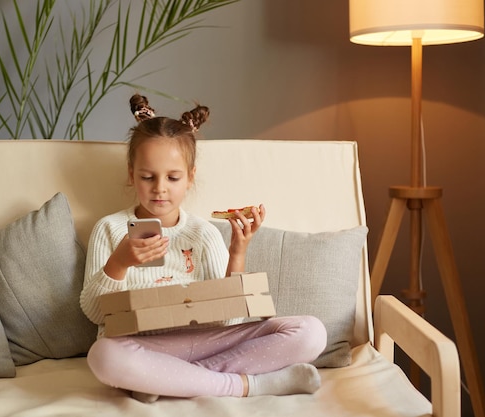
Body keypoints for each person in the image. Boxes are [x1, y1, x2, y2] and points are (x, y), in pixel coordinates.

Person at [79, 94, 327, 402]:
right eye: (147, 177)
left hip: (209, 340)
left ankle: (166, 380)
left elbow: (230, 320)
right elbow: (93, 314)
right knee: (103, 356)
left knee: (311, 332)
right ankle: (246, 385)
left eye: (173, 177)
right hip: (144, 346)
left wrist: (238, 250)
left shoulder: (203, 233)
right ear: (132, 174)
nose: (160, 188)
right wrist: (119, 263)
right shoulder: (110, 229)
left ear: (190, 178)